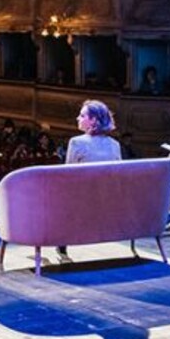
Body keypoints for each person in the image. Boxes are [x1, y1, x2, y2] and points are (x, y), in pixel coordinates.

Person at [58, 100, 122, 257]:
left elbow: (68, 175)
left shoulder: (76, 142)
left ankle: (59, 239)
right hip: (108, 200)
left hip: (82, 201)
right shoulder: (115, 144)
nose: (77, 118)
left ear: (93, 120)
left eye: (82, 115)